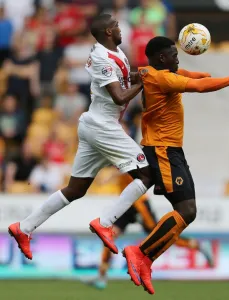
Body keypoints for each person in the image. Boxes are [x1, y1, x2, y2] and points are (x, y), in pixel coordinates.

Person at [120, 37, 229, 294]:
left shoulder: (151, 73)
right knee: (186, 210)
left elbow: (194, 75)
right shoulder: (164, 79)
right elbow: (201, 86)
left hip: (167, 148)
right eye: (174, 54)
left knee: (187, 211)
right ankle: (140, 253)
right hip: (163, 150)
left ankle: (145, 256)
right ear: (162, 58)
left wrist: (201, 73)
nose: (178, 58)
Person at [8, 14, 153, 261]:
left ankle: (23, 228)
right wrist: (145, 82)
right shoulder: (101, 57)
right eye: (117, 26)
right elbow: (119, 96)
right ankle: (106, 223)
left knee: (75, 189)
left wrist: (150, 75)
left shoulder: (116, 53)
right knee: (147, 175)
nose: (121, 30)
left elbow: (127, 80)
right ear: (108, 32)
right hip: (103, 125)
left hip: (94, 124)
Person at [92, 173, 213, 289]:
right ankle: (101, 276)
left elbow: (128, 169)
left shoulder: (126, 157)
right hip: (127, 204)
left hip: (140, 204)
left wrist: (110, 175)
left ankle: (198, 245)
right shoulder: (116, 159)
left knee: (160, 236)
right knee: (110, 236)